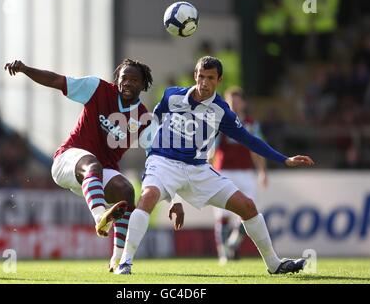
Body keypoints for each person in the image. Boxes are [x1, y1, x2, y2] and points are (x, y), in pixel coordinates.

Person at [114, 56, 314, 275]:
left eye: (210, 78)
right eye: (201, 76)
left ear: (219, 80)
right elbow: (153, 125)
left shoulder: (222, 111)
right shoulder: (171, 95)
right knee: (148, 197)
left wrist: (283, 159)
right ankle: (125, 262)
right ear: (195, 76)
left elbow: (250, 140)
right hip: (163, 163)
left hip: (198, 169)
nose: (204, 82)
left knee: (248, 206)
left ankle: (274, 264)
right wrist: (158, 167)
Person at [4, 59, 184, 271]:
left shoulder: (144, 119)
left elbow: (161, 159)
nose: (127, 83)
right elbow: (56, 80)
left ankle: (118, 261)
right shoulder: (96, 88)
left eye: (134, 80)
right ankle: (101, 217)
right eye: (124, 78)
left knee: (126, 191)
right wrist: (25, 69)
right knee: (92, 164)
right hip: (68, 161)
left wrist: (175, 198)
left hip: (97, 178)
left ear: (143, 85)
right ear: (117, 79)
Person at [209, 87, 268, 265]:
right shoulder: (221, 122)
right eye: (230, 100)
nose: (233, 104)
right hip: (224, 172)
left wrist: (263, 171)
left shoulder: (251, 123)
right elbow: (212, 148)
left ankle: (233, 243)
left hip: (245, 173)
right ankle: (223, 253)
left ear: (243, 103)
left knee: (250, 212)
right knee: (222, 214)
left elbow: (257, 149)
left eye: (236, 100)